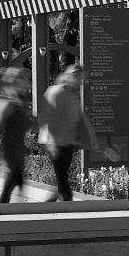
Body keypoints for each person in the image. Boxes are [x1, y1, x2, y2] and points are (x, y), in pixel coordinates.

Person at [36, 64, 97, 202]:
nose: (81, 81)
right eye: (78, 77)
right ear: (69, 77)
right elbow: (46, 118)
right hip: (55, 143)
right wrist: (50, 143)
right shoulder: (55, 92)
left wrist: (84, 140)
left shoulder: (73, 95)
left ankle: (46, 207)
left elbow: (79, 119)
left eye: (81, 78)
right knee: (63, 181)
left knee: (62, 179)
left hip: (68, 143)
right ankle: (68, 209)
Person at [0, 67, 32, 204]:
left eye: (25, 79)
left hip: (19, 147)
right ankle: (3, 212)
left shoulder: (20, 103)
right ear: (13, 83)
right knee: (15, 179)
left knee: (16, 180)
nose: (26, 82)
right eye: (21, 79)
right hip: (11, 148)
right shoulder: (7, 104)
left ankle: (6, 211)